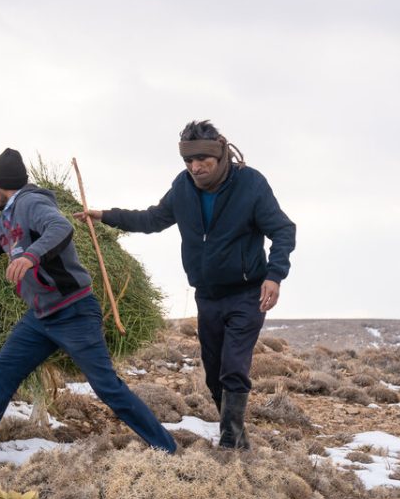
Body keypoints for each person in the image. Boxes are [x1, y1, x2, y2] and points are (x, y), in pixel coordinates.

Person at [0, 148, 177, 464]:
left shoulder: (32, 203)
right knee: (0, 372)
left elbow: (60, 228)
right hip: (41, 317)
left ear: (3, 185)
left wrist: (30, 255)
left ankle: (168, 450)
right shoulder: (7, 218)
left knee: (108, 388)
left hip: (74, 311)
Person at [81, 120, 296, 450]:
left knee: (233, 367)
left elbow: (283, 230)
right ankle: (236, 436)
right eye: (188, 161)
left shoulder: (250, 185)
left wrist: (274, 275)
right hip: (207, 296)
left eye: (202, 161)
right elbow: (152, 219)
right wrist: (104, 215)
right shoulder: (183, 187)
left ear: (220, 154)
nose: (195, 167)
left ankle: (230, 442)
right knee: (213, 374)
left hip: (247, 293)